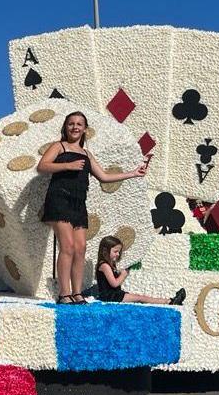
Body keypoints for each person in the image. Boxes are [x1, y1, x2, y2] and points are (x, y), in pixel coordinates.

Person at [37, 111, 147, 304]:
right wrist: (68, 166)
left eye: (79, 124)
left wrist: (133, 173)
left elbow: (104, 176)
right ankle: (64, 294)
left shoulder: (87, 154)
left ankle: (77, 293)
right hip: (59, 200)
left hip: (79, 204)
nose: (75, 127)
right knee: (68, 246)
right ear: (65, 127)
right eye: (71, 123)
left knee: (81, 248)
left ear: (85, 129)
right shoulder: (59, 146)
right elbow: (42, 166)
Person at [95, 236, 186, 305]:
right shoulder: (104, 266)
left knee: (140, 297)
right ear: (105, 251)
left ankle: (169, 301)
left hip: (115, 294)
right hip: (110, 297)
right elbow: (114, 283)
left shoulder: (111, 264)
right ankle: (169, 302)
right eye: (115, 251)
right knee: (140, 298)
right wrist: (123, 274)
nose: (118, 254)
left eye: (119, 252)